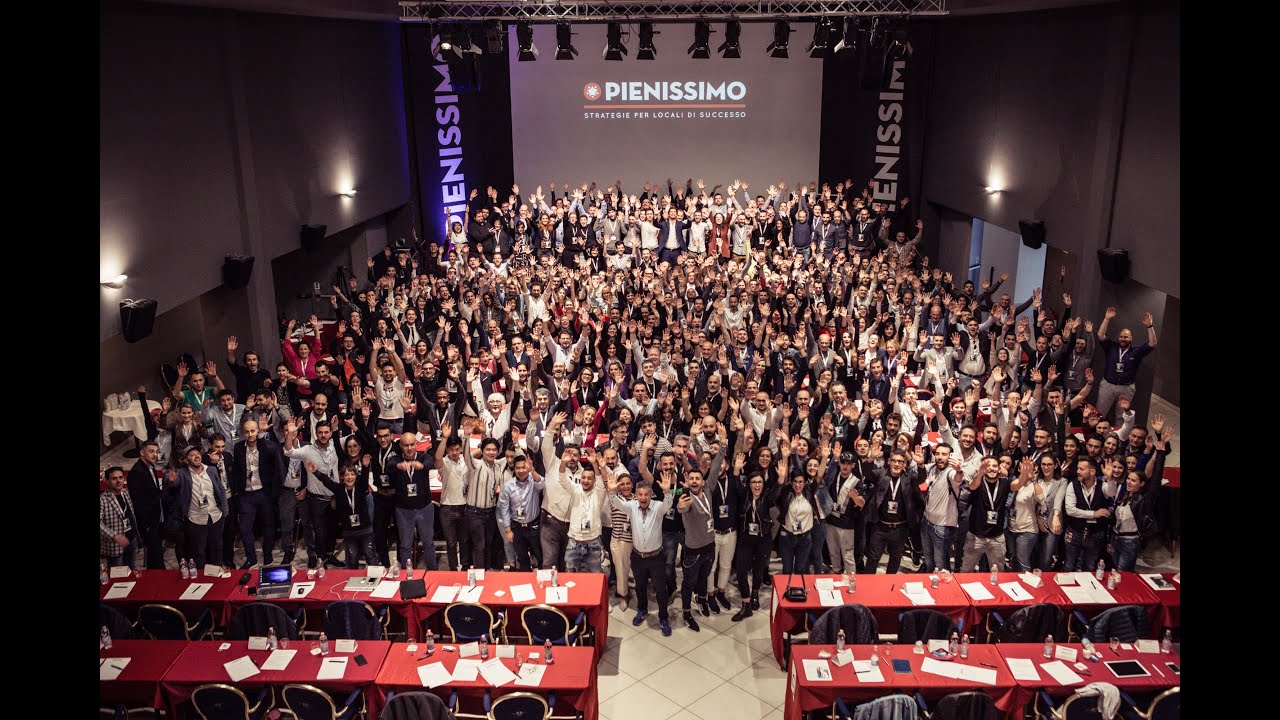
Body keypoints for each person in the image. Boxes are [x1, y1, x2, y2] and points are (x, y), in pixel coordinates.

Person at [610, 474, 674, 637]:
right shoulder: (631, 506)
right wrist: (611, 492)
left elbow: (668, 504)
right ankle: (642, 610)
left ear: (651, 494)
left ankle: (663, 617)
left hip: (656, 557)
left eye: (646, 494)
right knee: (640, 587)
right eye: (640, 494)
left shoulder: (658, 507)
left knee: (660, 589)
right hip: (638, 557)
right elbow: (616, 503)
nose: (643, 497)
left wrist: (667, 492)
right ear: (636, 495)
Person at [282, 417, 342, 569]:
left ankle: (329, 556)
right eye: (320, 432)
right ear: (315, 433)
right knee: (320, 533)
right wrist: (290, 434)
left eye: (326, 432)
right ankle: (321, 560)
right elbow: (288, 452)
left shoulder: (336, 445)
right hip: (316, 500)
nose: (323, 435)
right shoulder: (308, 450)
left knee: (332, 532)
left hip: (335, 498)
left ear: (330, 433)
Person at [228, 418, 284, 568]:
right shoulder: (238, 447)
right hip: (246, 494)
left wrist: (274, 494)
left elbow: (279, 471)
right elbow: (236, 472)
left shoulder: (268, 446)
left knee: (268, 526)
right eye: (247, 431)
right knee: (245, 528)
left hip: (264, 493)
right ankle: (251, 558)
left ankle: (267, 555)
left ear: (258, 431)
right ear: (243, 433)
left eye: (253, 430)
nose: (250, 434)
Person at [862, 448, 922, 573]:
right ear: (889, 461)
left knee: (895, 559)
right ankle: (867, 586)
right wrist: (871, 459)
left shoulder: (908, 476)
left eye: (900, 462)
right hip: (880, 527)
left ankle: (890, 587)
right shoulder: (881, 473)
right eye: (894, 461)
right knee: (873, 558)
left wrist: (920, 464)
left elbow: (921, 478)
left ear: (904, 464)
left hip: (900, 528)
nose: (896, 464)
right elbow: (867, 473)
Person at [386, 431, 437, 570]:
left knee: (428, 542)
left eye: (412, 444)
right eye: (406, 445)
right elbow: (389, 466)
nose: (409, 448)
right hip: (404, 510)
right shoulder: (396, 460)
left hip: (424, 508)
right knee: (405, 545)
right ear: (401, 446)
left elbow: (430, 462)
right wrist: (398, 466)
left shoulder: (423, 457)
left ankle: (433, 572)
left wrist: (421, 466)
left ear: (417, 444)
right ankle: (407, 573)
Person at [1094, 307, 1157, 420]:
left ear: (1131, 338)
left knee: (1122, 417)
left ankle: (1119, 437)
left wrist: (1150, 326)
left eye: (1126, 337)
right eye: (1121, 336)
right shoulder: (1111, 347)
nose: (1123, 339)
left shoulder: (1136, 351)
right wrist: (1106, 319)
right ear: (1118, 338)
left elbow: (1152, 343)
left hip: (1127, 388)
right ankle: (1096, 436)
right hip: (1108, 386)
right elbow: (1100, 335)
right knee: (1099, 413)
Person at [174, 445, 229, 569]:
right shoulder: (182, 474)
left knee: (217, 548)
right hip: (196, 519)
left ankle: (217, 574)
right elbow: (172, 482)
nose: (196, 456)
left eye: (197, 453)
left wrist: (225, 510)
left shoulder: (211, 470)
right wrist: (170, 479)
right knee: (199, 551)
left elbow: (220, 489)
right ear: (185, 460)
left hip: (215, 515)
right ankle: (202, 579)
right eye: (192, 455)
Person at [497, 455, 545, 571]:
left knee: (540, 555)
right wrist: (507, 530)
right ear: (514, 468)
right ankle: (526, 582)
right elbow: (504, 509)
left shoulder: (533, 481)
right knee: (522, 558)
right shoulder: (508, 486)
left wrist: (532, 470)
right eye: (518, 468)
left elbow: (542, 484)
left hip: (533, 525)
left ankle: (543, 582)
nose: (521, 471)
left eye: (524, 467)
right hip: (516, 527)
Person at [1062, 457, 1111, 571]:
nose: (1078, 471)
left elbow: (1111, 492)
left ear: (1092, 471)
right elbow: (1070, 510)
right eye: (1078, 468)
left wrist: (1110, 478)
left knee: (1090, 566)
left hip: (1095, 533)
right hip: (1075, 531)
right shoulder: (1072, 485)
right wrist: (1093, 514)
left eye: (1081, 469)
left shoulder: (1102, 485)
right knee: (1069, 565)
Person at [127, 440, 169, 569]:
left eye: (156, 452)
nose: (155, 455)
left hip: (157, 518)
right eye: (151, 451)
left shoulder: (150, 467)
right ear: (142, 452)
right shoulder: (137, 472)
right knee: (155, 556)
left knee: (156, 554)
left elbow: (154, 492)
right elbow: (138, 502)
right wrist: (147, 525)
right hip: (149, 523)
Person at [100, 466, 140, 568]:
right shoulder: (103, 499)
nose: (118, 481)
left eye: (121, 477)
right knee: (118, 576)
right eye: (114, 478)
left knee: (132, 570)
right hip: (115, 546)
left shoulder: (126, 493)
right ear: (107, 481)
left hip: (132, 539)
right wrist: (114, 536)